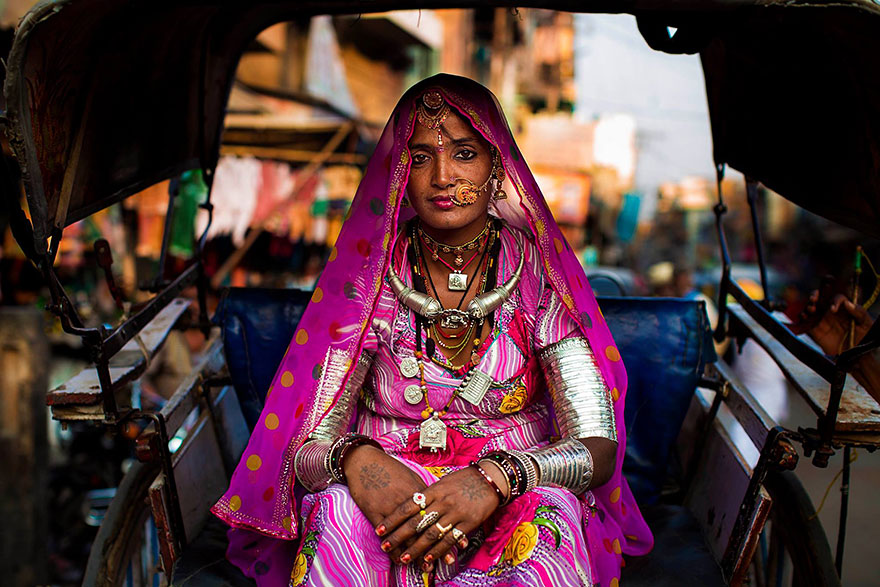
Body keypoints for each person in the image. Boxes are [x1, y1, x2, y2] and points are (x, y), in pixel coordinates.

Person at [212, 74, 652, 587]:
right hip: (389, 499)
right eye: (420, 157)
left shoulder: (538, 274)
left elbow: (596, 447)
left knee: (550, 520)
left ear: (496, 165)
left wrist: (498, 478)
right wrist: (357, 461)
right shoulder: (368, 278)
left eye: (464, 153)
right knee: (332, 510)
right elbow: (304, 449)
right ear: (400, 171)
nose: (442, 176)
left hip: (514, 492)